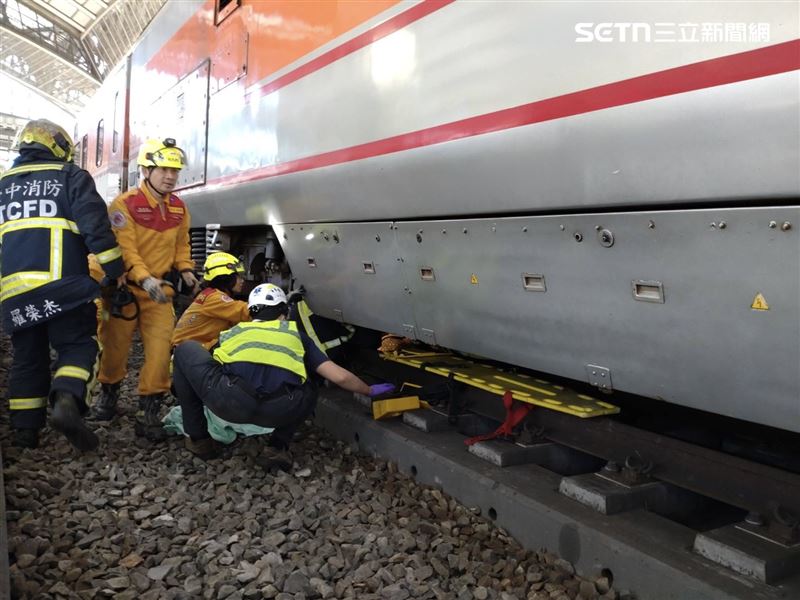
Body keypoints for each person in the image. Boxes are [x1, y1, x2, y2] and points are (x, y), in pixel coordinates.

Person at [172, 283, 395, 471]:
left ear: (252, 312)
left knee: (185, 350)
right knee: (311, 382)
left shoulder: (234, 332)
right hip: (280, 409)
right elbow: (340, 378)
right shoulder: (296, 336)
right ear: (284, 312)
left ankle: (199, 440)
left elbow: (212, 366)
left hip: (231, 403)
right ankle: (276, 448)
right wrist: (369, 390)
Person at [0, 119, 125, 450]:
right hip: (64, 290)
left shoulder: (3, 184)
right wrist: (115, 269)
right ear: (58, 147)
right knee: (78, 346)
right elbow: (96, 229)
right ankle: (67, 401)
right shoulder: (70, 176)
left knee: (28, 357)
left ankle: (26, 432)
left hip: (15, 294)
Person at [92, 138, 199, 439]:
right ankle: (108, 396)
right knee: (114, 350)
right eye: (164, 169)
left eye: (175, 171)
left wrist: (187, 269)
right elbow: (126, 251)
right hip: (125, 292)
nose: (170, 176)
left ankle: (148, 412)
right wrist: (144, 278)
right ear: (146, 170)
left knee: (160, 351)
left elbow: (181, 245)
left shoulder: (179, 208)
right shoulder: (124, 205)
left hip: (160, 293)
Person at [171, 251, 250, 351]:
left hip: (187, 353)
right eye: (238, 276)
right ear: (225, 278)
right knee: (236, 339)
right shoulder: (215, 298)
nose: (242, 280)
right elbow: (246, 312)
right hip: (190, 355)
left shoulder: (209, 295)